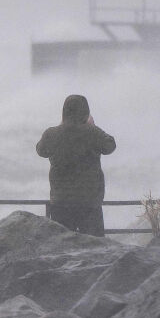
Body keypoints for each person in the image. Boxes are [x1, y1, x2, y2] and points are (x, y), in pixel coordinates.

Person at [35, 94, 116, 235]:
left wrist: (61, 126)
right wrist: (92, 126)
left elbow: (41, 150)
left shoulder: (52, 134)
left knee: (62, 247)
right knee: (95, 247)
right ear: (86, 111)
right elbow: (110, 146)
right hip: (89, 201)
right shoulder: (92, 132)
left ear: (64, 112)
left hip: (61, 201)